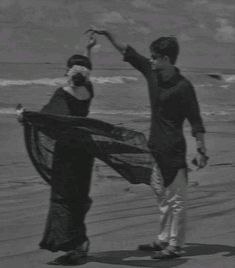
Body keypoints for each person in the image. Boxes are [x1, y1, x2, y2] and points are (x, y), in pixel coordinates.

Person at [87, 27, 208, 259]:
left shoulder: (183, 87)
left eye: (154, 57)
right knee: (162, 196)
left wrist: (201, 148)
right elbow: (128, 53)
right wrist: (109, 34)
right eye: (150, 57)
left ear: (165, 58)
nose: (150, 60)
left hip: (174, 150)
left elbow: (195, 120)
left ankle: (175, 245)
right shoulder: (152, 73)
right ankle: (162, 239)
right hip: (154, 147)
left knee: (177, 200)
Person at [17, 35, 97, 265]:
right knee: (77, 196)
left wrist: (24, 116)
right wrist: (87, 50)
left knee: (64, 198)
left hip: (68, 153)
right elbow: (84, 70)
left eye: (68, 68)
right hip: (84, 149)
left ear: (69, 72)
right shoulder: (88, 90)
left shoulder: (64, 93)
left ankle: (77, 245)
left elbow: (49, 118)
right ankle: (80, 242)